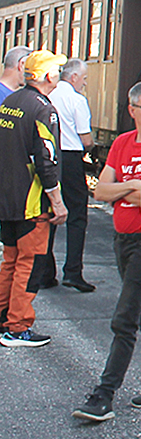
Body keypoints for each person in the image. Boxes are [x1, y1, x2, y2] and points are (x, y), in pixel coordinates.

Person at [70, 81, 141, 422]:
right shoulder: (123, 143)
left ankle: (104, 395)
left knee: (125, 318)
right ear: (132, 110)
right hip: (123, 240)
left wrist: (123, 192)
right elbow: (101, 192)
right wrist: (130, 187)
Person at [0, 51, 69, 346]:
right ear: (49, 76)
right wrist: (57, 201)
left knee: (10, 261)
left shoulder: (10, 102)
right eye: (58, 71)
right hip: (31, 202)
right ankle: (17, 328)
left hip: (6, 199)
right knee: (30, 264)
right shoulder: (44, 109)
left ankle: (4, 318)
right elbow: (47, 159)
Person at [48, 58, 95, 292]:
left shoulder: (48, 95)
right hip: (71, 159)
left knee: (49, 213)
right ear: (74, 77)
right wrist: (91, 148)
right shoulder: (77, 100)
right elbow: (85, 137)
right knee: (77, 216)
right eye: (84, 78)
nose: (84, 84)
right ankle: (73, 272)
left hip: (49, 158)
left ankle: (45, 271)